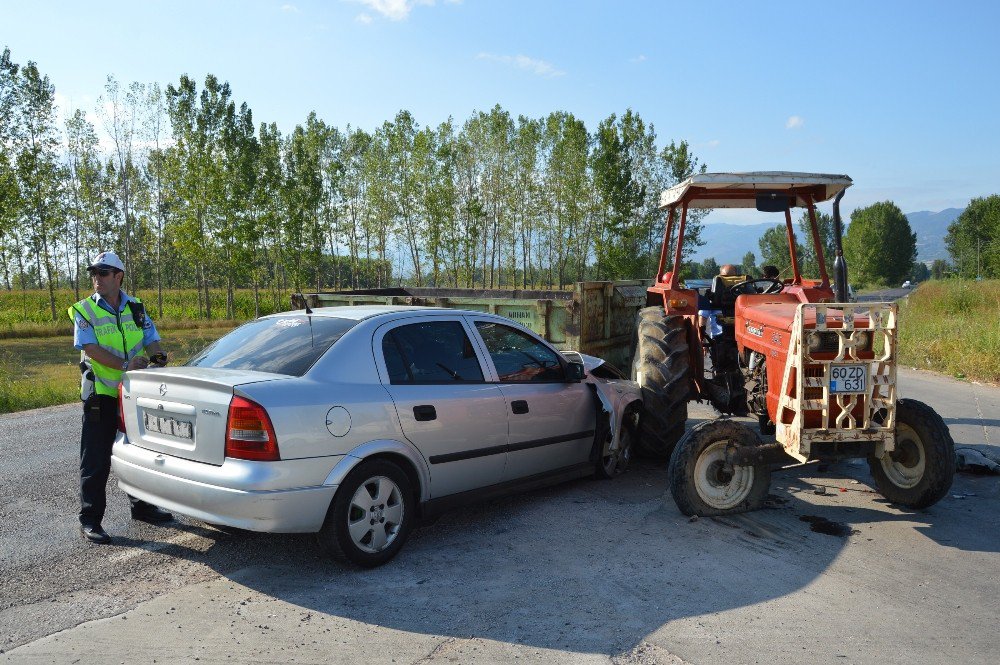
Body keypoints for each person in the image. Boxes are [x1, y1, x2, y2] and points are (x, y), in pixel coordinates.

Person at [69, 251, 173, 544]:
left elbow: (151, 338)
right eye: (94, 273)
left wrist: (158, 356)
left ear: (118, 276)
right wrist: (126, 365)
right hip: (101, 393)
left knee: (140, 453)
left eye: (103, 273)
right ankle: (90, 520)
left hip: (134, 394)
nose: (96, 279)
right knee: (96, 460)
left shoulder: (136, 307)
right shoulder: (84, 310)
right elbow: (90, 348)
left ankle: (143, 507)